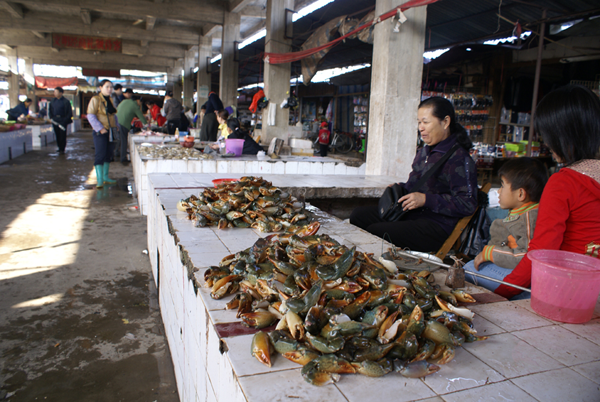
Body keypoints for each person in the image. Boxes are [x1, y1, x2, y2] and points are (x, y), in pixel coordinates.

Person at [493, 85, 600, 300]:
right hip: (594, 287)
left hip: (567, 290)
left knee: (474, 269)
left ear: (563, 134)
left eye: (547, 134)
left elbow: (541, 252)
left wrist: (499, 295)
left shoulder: (564, 182)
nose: (546, 142)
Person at [349, 96, 478, 252]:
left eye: (426, 122)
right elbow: (417, 185)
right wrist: (400, 188)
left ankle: (383, 263)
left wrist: (426, 200)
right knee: (358, 215)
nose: (421, 128)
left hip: (436, 225)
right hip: (413, 214)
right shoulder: (424, 152)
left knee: (377, 231)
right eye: (419, 122)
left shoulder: (458, 158)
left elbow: (467, 203)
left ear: (445, 122)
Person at [464, 158, 548, 293]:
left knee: (468, 270)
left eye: (502, 186)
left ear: (520, 194)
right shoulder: (522, 212)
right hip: (512, 272)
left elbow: (526, 258)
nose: (499, 191)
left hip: (524, 282)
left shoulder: (530, 218)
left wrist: (490, 253)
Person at [87, 79, 119, 188]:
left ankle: (105, 177)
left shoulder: (110, 99)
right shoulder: (95, 99)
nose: (110, 89)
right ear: (100, 88)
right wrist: (100, 128)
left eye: (111, 87)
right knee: (100, 154)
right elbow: (90, 115)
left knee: (109, 154)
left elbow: (113, 115)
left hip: (111, 131)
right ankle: (100, 180)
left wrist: (116, 126)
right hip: (100, 131)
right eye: (107, 87)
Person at [117, 95, 147, 165]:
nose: (140, 104)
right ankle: (123, 158)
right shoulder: (135, 106)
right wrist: (147, 125)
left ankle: (116, 153)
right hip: (124, 124)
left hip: (116, 122)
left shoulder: (124, 101)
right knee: (124, 141)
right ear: (138, 100)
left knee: (119, 139)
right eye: (140, 102)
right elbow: (141, 117)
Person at [48, 87, 73, 154]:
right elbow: (50, 110)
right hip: (55, 120)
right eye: (54, 92)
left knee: (62, 135)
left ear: (61, 93)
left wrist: (65, 120)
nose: (54, 93)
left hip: (63, 120)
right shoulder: (53, 101)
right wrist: (51, 117)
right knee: (57, 134)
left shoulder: (66, 101)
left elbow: (69, 112)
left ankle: (62, 148)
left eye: (56, 92)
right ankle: (59, 147)